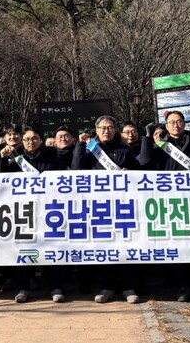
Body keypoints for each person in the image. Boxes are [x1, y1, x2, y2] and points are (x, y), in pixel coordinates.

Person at [140, 111, 190, 302]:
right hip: (170, 202)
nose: (176, 125)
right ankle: (182, 287)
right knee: (176, 246)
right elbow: (145, 162)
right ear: (166, 126)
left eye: (179, 121)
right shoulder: (161, 146)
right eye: (171, 122)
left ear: (184, 124)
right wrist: (147, 138)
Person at [72, 115, 141, 304]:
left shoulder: (124, 150)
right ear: (96, 130)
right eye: (102, 128)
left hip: (122, 206)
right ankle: (107, 288)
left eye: (110, 127)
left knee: (125, 246)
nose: (106, 131)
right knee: (104, 248)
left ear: (115, 130)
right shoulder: (89, 150)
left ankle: (128, 288)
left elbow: (139, 173)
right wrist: (80, 145)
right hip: (99, 206)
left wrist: (131, 173)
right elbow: (77, 169)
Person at [0, 124, 65, 303]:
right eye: (26, 139)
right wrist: (2, 159)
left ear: (40, 140)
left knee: (51, 250)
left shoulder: (52, 157)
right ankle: (23, 288)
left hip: (48, 210)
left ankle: (56, 287)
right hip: (23, 211)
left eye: (34, 138)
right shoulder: (14, 158)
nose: (30, 142)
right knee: (24, 251)